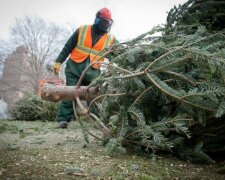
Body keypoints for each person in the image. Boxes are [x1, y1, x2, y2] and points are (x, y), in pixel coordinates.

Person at [53, 7, 117, 128]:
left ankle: (97, 120)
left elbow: (119, 54)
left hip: (93, 73)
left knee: (93, 95)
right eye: (103, 21)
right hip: (74, 69)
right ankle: (63, 120)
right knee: (69, 93)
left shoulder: (110, 39)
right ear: (97, 19)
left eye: (107, 22)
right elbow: (68, 47)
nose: (105, 25)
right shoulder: (82, 30)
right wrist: (58, 61)